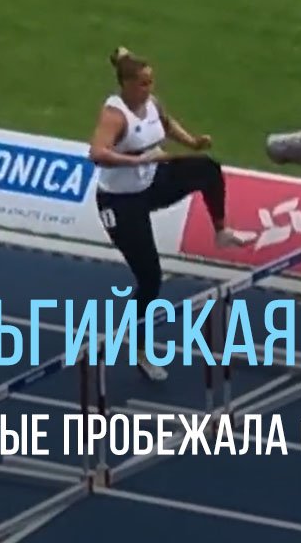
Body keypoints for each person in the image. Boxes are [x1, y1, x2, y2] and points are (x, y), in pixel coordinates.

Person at [88, 46, 256, 380]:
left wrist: (192, 142)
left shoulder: (151, 102)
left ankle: (221, 231)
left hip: (152, 183)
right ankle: (140, 349)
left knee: (207, 169)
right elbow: (97, 153)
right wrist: (138, 160)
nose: (149, 89)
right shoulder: (115, 115)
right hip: (120, 203)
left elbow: (166, 123)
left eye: (151, 82)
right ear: (127, 84)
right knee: (150, 278)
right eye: (143, 84)